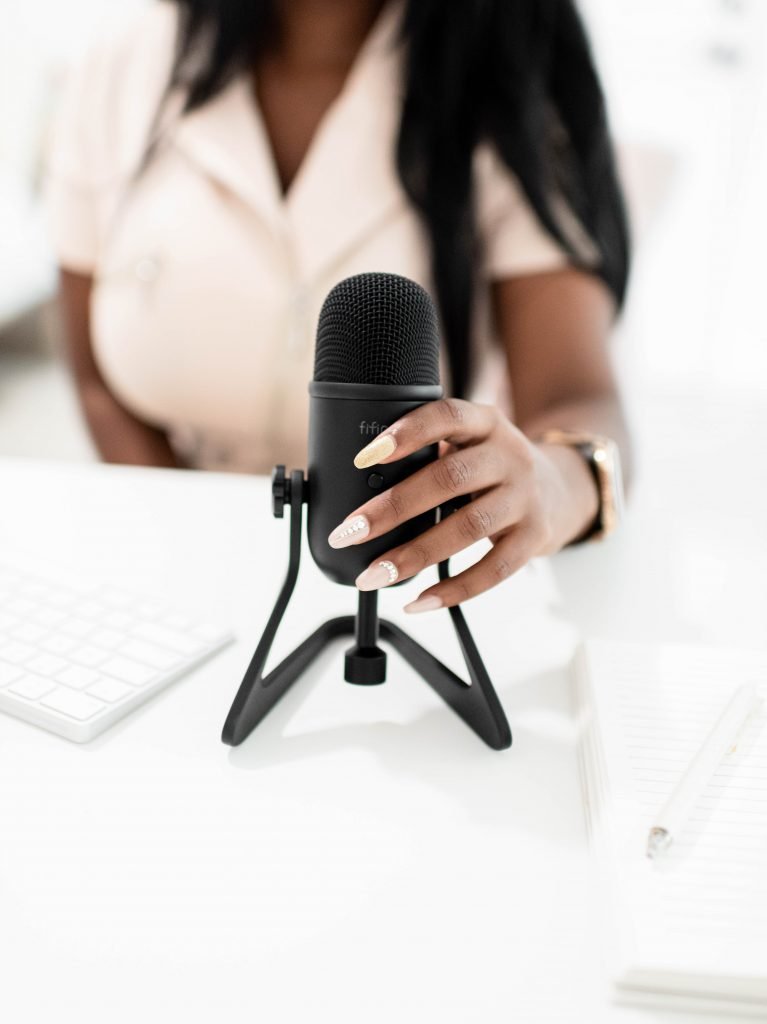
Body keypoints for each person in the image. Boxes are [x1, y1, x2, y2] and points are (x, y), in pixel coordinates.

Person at [46, 0, 632, 612]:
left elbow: (579, 398)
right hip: (169, 577)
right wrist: (195, 555)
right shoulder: (130, 55)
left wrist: (559, 485)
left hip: (412, 587)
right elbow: (96, 379)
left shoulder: (513, 63)